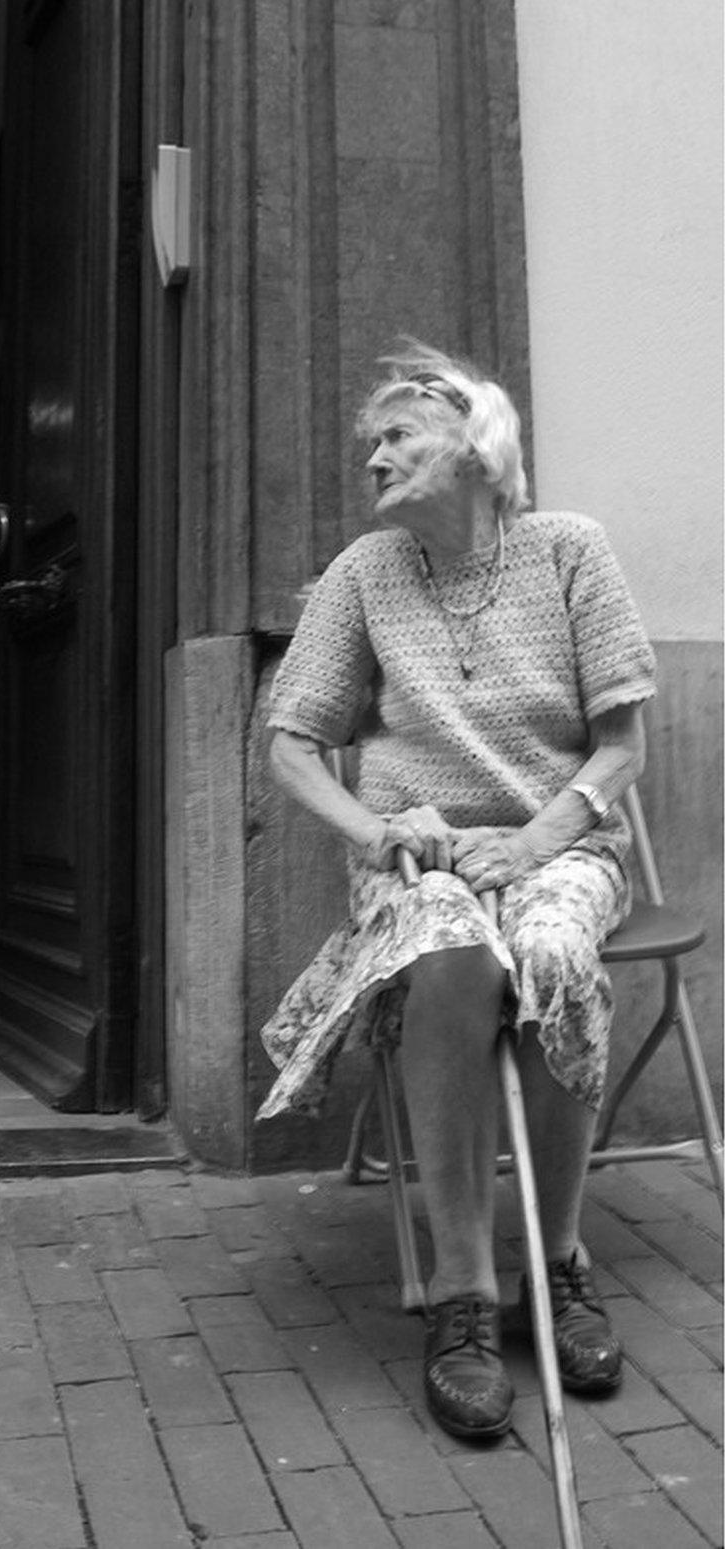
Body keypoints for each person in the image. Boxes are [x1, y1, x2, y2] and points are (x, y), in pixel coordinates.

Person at [256, 339, 656, 1442]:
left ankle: (559, 1260)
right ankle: (465, 1290)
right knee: (451, 954)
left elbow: (620, 746)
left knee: (555, 952)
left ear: (477, 446)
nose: (372, 459)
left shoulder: (570, 550)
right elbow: (290, 745)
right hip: (418, 862)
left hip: (555, 841)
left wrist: (533, 844)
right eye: (367, 444)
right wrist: (384, 827)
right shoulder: (362, 574)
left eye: (396, 437)